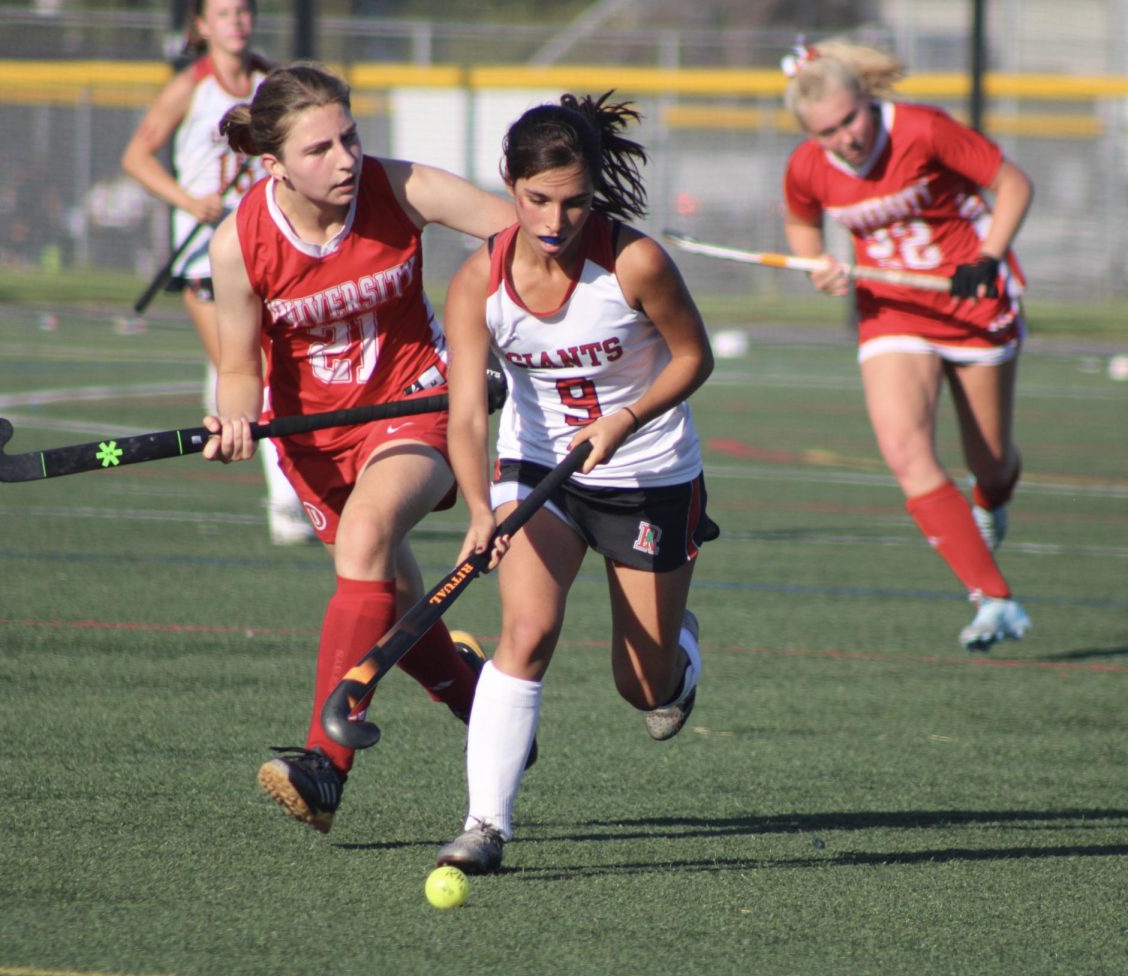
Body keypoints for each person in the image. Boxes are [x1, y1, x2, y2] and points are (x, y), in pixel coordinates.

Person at [200, 64, 518, 835]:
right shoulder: (239, 243)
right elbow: (241, 367)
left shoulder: (399, 187)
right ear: (273, 164)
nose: (345, 159)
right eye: (320, 149)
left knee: (368, 536)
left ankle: (323, 765)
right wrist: (233, 420)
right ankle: (480, 704)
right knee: (390, 597)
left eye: (350, 137)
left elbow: (518, 228)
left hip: (418, 403)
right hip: (314, 442)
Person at [435, 92, 717, 875]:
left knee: (644, 689)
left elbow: (695, 358)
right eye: (536, 201)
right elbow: (465, 417)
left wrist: (623, 418)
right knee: (526, 632)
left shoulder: (635, 263)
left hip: (648, 473)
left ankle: (680, 658)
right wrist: (479, 508)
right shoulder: (476, 284)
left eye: (574, 203)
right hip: (538, 469)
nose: (555, 222)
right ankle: (484, 825)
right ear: (508, 183)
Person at [779, 37, 1034, 652]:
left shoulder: (923, 129)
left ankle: (989, 499)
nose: (846, 138)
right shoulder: (808, 167)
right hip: (892, 313)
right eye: (828, 132)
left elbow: (1014, 184)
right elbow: (802, 221)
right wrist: (817, 265)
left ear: (867, 99)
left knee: (991, 462)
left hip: (975, 304)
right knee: (903, 449)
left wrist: (989, 258)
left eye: (850, 120)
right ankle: (993, 599)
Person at [122, 0, 313, 545]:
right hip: (206, 254)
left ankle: (223, 399)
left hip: (268, 249)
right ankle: (285, 507)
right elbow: (137, 156)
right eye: (225, 14)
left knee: (267, 362)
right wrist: (187, 198)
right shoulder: (191, 87)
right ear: (202, 27)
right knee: (258, 369)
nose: (238, 21)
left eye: (245, 11)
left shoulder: (270, 84)